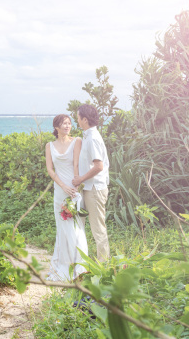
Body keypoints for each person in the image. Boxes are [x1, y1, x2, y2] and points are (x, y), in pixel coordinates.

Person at [45, 114, 88, 281]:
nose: (67, 126)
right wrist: (62, 186)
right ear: (56, 127)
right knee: (62, 228)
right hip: (60, 189)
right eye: (64, 123)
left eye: (69, 123)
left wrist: (75, 188)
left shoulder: (76, 141)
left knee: (76, 227)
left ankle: (80, 267)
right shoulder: (49, 145)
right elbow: (50, 169)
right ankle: (64, 265)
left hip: (74, 190)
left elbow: (77, 164)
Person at [72, 104, 110, 261]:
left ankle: (104, 265)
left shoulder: (93, 138)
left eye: (78, 117)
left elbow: (98, 166)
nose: (77, 120)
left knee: (98, 228)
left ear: (84, 119)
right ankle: (84, 260)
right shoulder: (88, 136)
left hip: (94, 189)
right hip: (88, 188)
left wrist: (80, 179)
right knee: (85, 225)